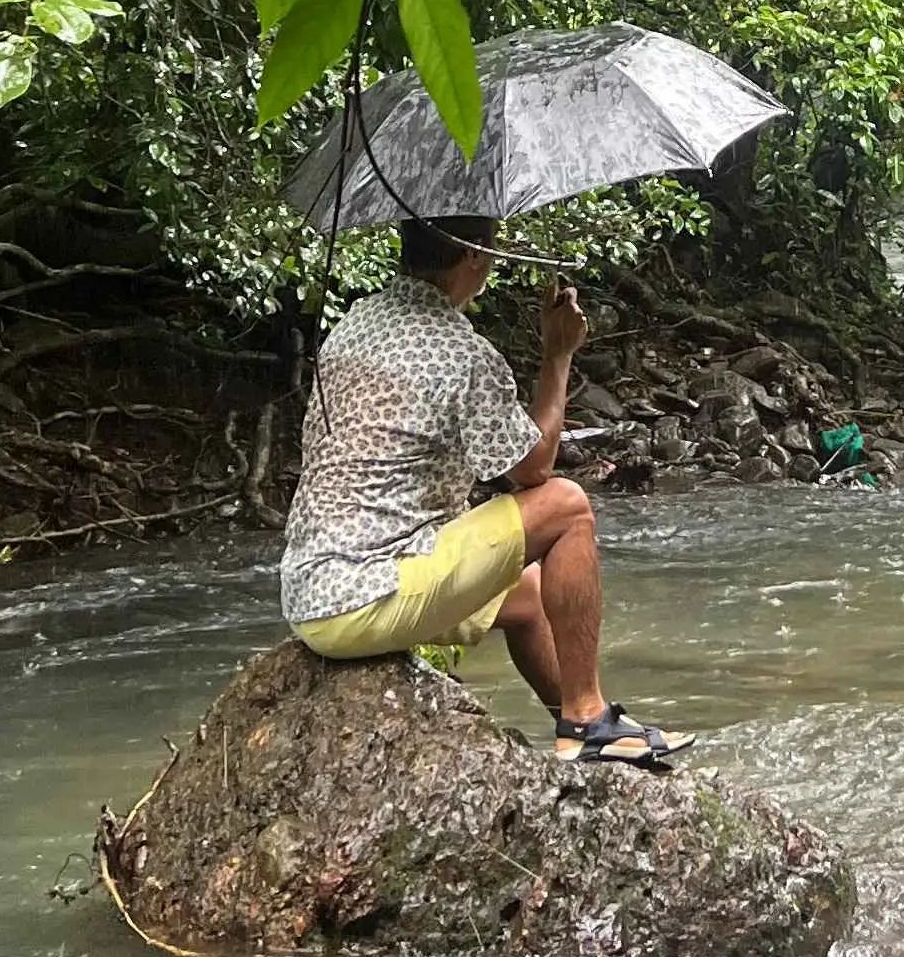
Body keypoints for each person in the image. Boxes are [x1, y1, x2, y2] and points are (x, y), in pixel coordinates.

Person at [281, 215, 691, 766]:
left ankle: (578, 724)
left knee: (526, 597)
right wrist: (558, 355)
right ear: (473, 258)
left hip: (310, 593)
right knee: (567, 508)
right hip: (366, 594)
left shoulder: (353, 324)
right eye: (491, 251)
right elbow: (534, 469)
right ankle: (589, 718)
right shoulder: (463, 354)